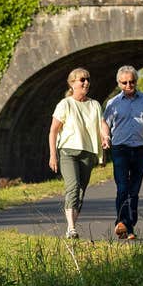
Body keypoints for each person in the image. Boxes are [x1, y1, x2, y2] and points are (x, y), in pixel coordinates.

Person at [100, 65, 143, 240]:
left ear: (136, 81)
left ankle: (128, 226)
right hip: (120, 149)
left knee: (134, 191)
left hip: (141, 149)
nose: (129, 85)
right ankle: (123, 224)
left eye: (132, 81)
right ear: (119, 83)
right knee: (122, 188)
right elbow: (105, 122)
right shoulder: (113, 103)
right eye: (125, 82)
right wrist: (105, 136)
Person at [48, 67, 104, 239]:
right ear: (72, 84)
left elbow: (102, 124)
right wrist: (53, 155)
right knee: (72, 187)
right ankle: (72, 228)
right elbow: (53, 131)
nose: (86, 82)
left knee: (81, 191)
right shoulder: (65, 104)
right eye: (82, 80)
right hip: (68, 151)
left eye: (87, 79)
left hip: (88, 152)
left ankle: (71, 227)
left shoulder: (94, 104)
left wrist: (106, 136)